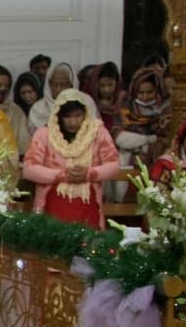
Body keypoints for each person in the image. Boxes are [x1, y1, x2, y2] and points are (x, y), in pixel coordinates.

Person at [22, 91, 119, 228]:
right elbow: (28, 169)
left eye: (78, 116)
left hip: (88, 203)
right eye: (67, 117)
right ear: (58, 116)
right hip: (51, 203)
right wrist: (62, 175)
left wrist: (88, 174)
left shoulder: (97, 132)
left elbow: (114, 166)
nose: (73, 122)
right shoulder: (45, 134)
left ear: (85, 113)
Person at [117, 65, 169, 172]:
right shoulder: (125, 109)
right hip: (126, 161)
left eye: (150, 92)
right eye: (141, 93)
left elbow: (165, 138)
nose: (145, 97)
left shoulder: (165, 110)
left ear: (157, 90)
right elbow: (119, 138)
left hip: (155, 162)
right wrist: (149, 139)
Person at [28, 61, 93, 130]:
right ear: (48, 85)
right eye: (55, 85)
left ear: (72, 84)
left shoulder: (86, 101)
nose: (59, 89)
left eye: (63, 84)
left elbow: (94, 128)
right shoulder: (38, 108)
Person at [9, 71, 41, 156]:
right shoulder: (15, 111)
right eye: (23, 93)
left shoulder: (44, 110)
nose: (27, 96)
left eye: (30, 92)